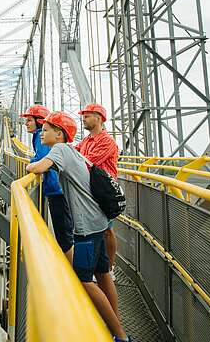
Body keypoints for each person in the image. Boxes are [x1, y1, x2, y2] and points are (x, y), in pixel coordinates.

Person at [25, 111, 130, 342]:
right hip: (99, 222)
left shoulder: (60, 150)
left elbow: (39, 167)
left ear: (59, 133)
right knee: (103, 274)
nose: (42, 132)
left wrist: (29, 167)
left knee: (84, 279)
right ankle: (116, 324)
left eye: (47, 129)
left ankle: (120, 336)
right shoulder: (74, 151)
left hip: (86, 228)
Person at [76, 103, 120, 315]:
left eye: (87, 115)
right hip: (92, 193)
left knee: (107, 230)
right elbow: (76, 156)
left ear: (99, 118)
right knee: (103, 231)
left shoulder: (106, 141)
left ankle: (108, 269)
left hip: (104, 194)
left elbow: (86, 163)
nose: (83, 118)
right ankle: (103, 268)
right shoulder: (85, 141)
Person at [20, 106, 74, 261]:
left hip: (57, 191)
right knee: (65, 232)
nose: (26, 124)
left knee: (64, 235)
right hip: (57, 190)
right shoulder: (40, 137)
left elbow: (43, 160)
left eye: (29, 120)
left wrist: (31, 164)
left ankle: (75, 276)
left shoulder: (39, 137)